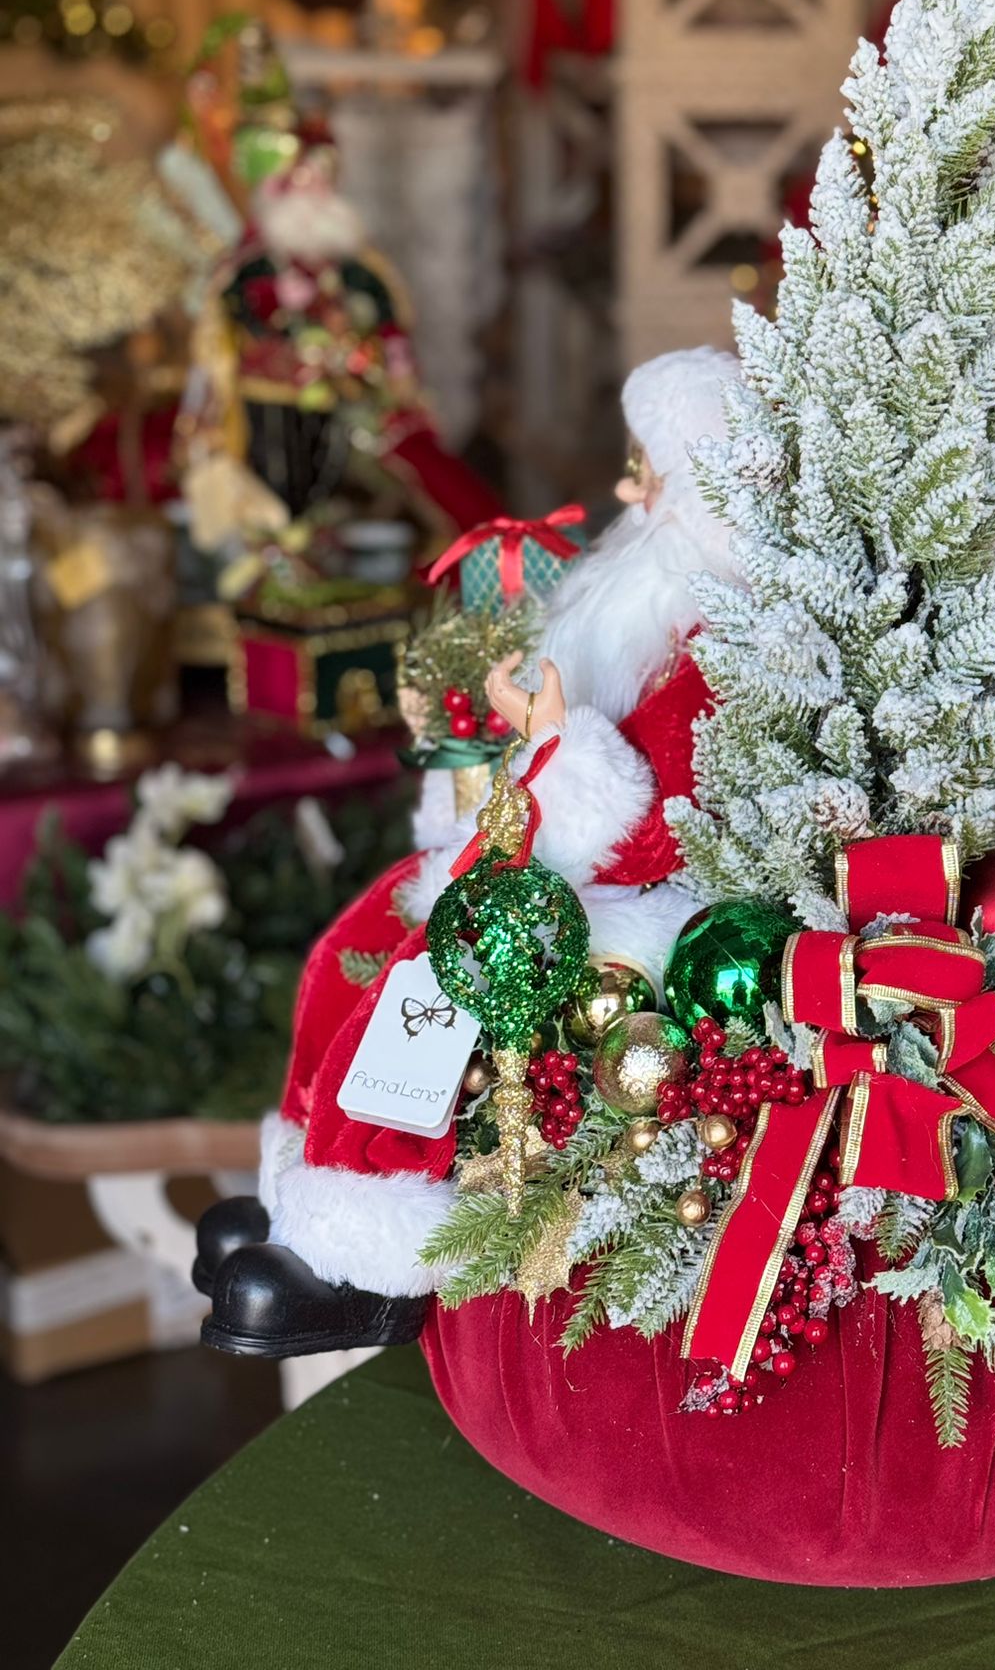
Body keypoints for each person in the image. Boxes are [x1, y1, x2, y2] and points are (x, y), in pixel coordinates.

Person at [197, 347, 740, 1357]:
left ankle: (369, 1245)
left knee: (437, 970)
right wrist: (496, 735)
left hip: (634, 887)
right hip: (540, 845)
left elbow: (660, 811)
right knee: (352, 937)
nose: (625, 490)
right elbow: (557, 744)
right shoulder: (633, 601)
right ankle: (306, 1181)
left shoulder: (711, 634)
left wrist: (550, 752)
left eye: (647, 472)